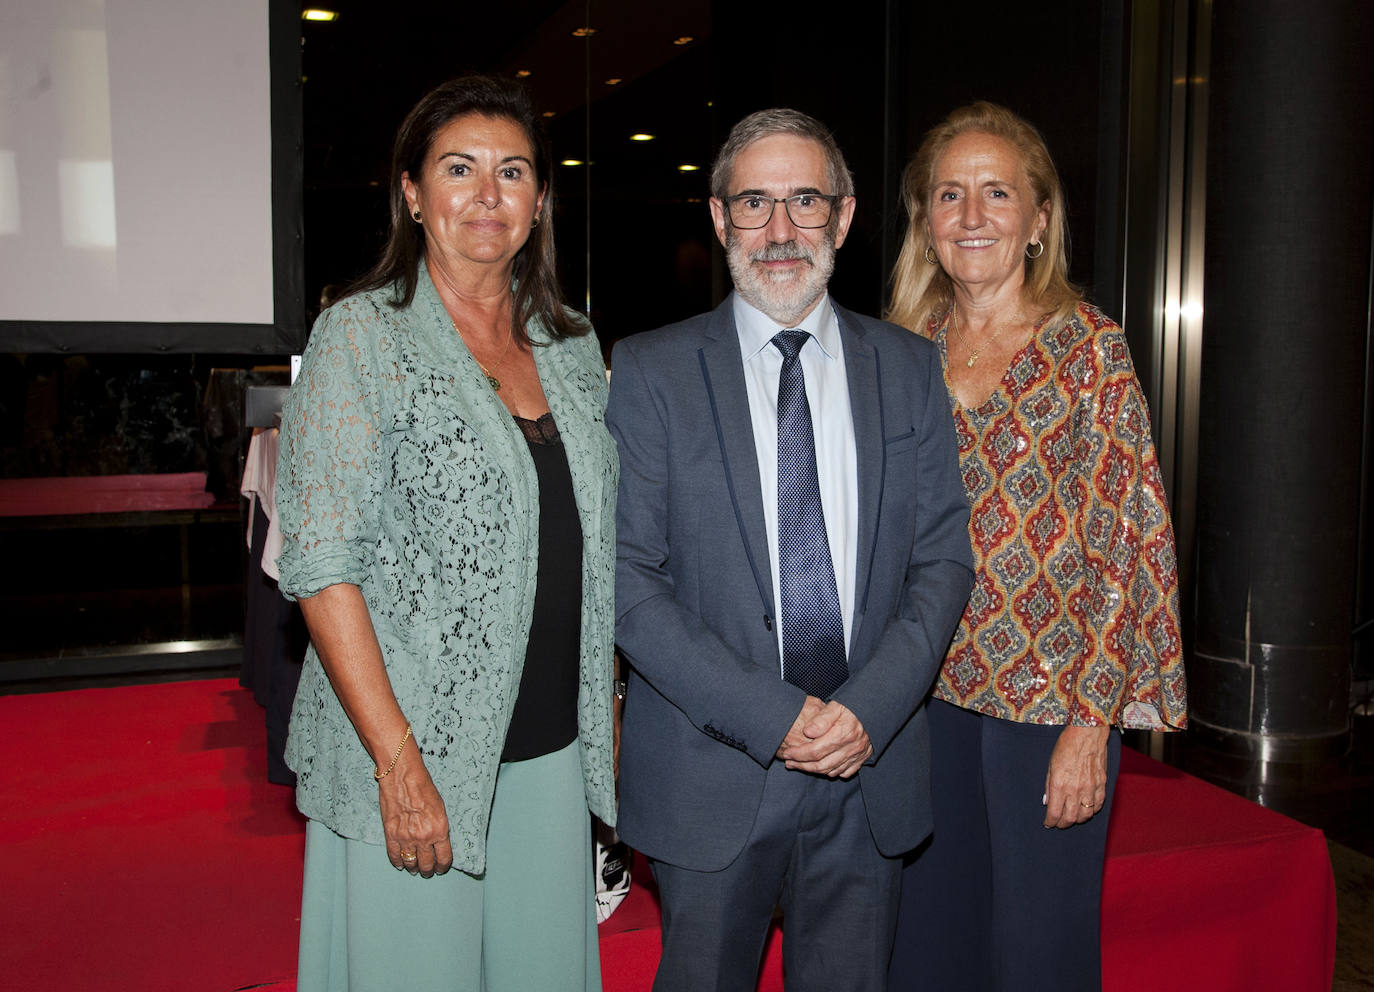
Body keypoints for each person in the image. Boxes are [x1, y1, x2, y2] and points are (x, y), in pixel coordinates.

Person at [606, 108, 975, 992]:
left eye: (804, 201)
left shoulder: (909, 367)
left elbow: (943, 560)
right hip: (714, 767)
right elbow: (626, 580)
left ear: (844, 217)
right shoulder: (650, 371)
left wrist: (867, 711)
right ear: (719, 216)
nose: (779, 230)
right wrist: (776, 717)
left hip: (868, 768)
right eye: (754, 203)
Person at [274, 75, 617, 992]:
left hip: (548, 748)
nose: (487, 195)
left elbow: (595, 543)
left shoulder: (572, 344)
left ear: (540, 200)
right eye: (458, 169)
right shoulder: (361, 339)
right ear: (413, 194)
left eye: (512, 172)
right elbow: (321, 569)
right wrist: (398, 764)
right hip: (411, 750)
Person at [885, 102, 1188, 992]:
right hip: (921, 696)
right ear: (926, 221)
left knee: (1036, 955)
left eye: (997, 193)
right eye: (950, 194)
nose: (972, 215)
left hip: (1047, 707)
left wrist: (1090, 729)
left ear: (1038, 219)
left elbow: (1129, 549)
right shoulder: (901, 352)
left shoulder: (1090, 352)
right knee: (928, 946)